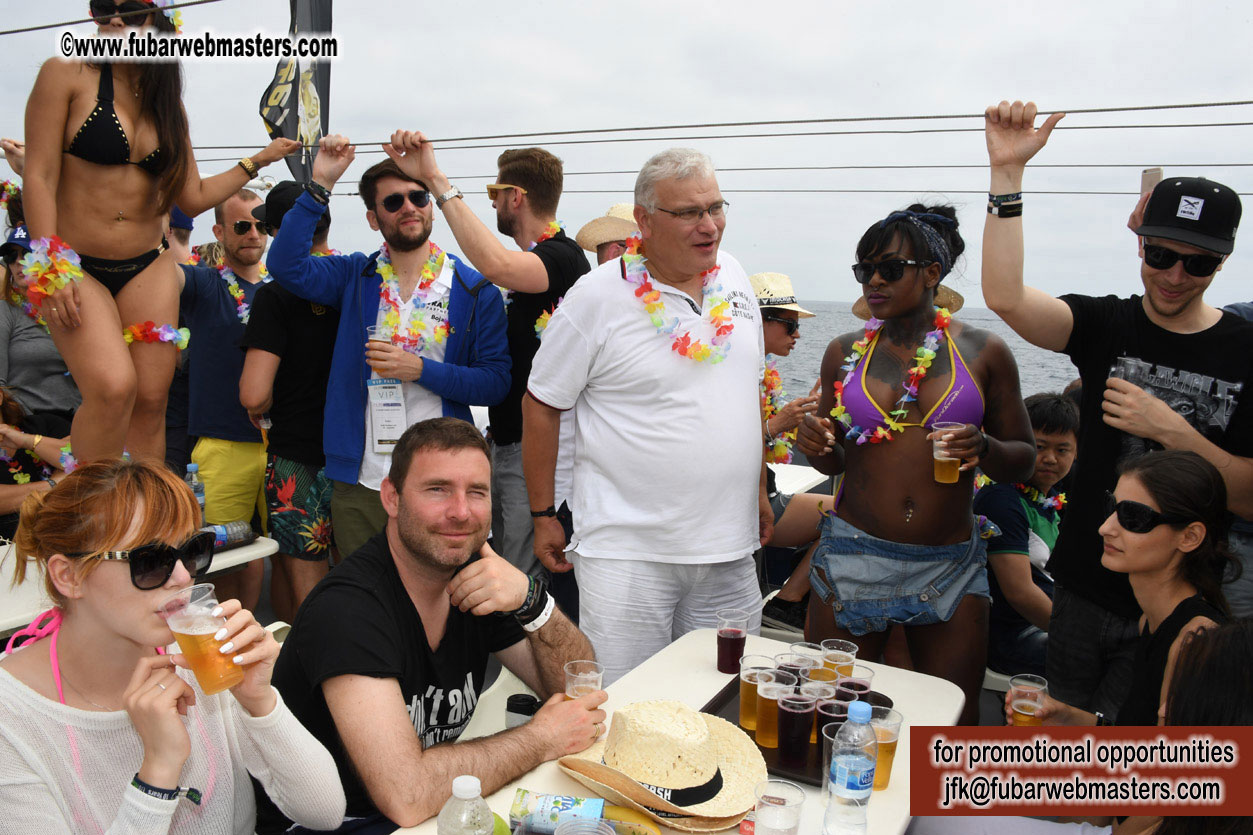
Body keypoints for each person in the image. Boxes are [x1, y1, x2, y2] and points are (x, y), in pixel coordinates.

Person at [980, 99, 1253, 716]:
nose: (1175, 275)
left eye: (1199, 262)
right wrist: (1007, 176)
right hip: (1082, 589)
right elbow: (1005, 295)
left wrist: (1174, 431)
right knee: (1069, 762)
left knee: (1151, 772)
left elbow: (1249, 495)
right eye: (1161, 254)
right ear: (1140, 245)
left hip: (1183, 608)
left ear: (1223, 263)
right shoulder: (1110, 322)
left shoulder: (1246, 351)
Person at [268, 418, 605, 832]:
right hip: (337, 823)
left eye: (476, 492)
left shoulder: (478, 575)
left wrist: (532, 600)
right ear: (391, 498)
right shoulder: (348, 609)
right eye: (437, 489)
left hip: (430, 809)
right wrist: (540, 738)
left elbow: (574, 690)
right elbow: (406, 796)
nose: (461, 512)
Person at [523, 148, 771, 685]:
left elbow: (747, 388)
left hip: (730, 547)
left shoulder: (734, 276)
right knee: (629, 705)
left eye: (716, 207)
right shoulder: (596, 296)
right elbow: (542, 402)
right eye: (689, 213)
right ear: (644, 221)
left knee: (724, 697)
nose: (710, 226)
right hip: (627, 554)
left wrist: (756, 491)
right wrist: (543, 513)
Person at [0, 459, 345, 833]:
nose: (183, 577)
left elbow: (323, 812)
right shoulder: (12, 717)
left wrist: (260, 702)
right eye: (150, 561)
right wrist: (158, 771)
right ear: (68, 576)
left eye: (192, 551)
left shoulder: (202, 657)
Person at [20, 4, 298, 464]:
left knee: (151, 400)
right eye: (103, 9)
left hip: (148, 265)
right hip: (74, 261)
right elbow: (41, 176)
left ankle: (146, 519)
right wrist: (51, 265)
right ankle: (87, 508)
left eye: (129, 11)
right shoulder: (65, 72)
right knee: (113, 388)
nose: (113, 20)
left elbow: (190, 197)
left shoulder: (167, 103)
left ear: (159, 23)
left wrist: (259, 161)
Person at [796, 203, 1036, 725]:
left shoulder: (984, 352)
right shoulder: (843, 352)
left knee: (948, 721)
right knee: (830, 715)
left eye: (890, 268)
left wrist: (985, 448)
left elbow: (1025, 459)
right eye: (864, 270)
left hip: (947, 564)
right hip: (852, 556)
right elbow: (837, 453)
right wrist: (817, 445)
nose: (874, 281)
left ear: (932, 273)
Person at [266, 135, 511, 559]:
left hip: (442, 480)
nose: (409, 207)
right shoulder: (353, 276)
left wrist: (420, 370)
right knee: (366, 602)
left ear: (431, 204)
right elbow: (284, 265)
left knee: (446, 603)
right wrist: (320, 182)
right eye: (393, 202)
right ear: (374, 219)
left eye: (418, 196)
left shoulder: (474, 289)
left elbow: (495, 383)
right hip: (364, 479)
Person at [387, 137, 591, 577]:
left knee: (516, 577)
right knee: (499, 566)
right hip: (506, 444)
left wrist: (436, 182)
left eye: (494, 196)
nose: (494, 205)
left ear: (513, 197)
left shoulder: (564, 257)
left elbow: (495, 265)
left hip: (538, 455)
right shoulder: (537, 263)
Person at [911, 618, 1253, 835]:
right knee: (922, 779)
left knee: (920, 804)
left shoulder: (1194, 633)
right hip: (1138, 779)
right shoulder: (1168, 628)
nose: (1106, 527)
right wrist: (1077, 725)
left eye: (1135, 518)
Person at [1008, 450, 1233, 727]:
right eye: (1112, 508)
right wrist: (1066, 715)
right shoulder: (1151, 620)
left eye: (1133, 517)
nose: (1105, 528)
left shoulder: (1194, 641)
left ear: (1189, 537)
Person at [240, 181, 340, 623]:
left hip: (297, 459)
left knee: (311, 596)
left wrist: (261, 405)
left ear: (280, 232)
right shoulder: (358, 281)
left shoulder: (275, 295)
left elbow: (253, 392)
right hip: (360, 455)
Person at [179, 189, 272, 609]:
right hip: (222, 445)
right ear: (218, 231)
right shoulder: (203, 283)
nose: (253, 234)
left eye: (260, 225)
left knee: (290, 554)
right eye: (241, 225)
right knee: (221, 560)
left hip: (285, 448)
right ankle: (228, 653)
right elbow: (156, 255)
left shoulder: (286, 288)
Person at [974, 393, 1079, 676]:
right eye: (1039, 446)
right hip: (1012, 635)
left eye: (1062, 450)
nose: (1050, 459)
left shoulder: (1051, 499)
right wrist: (1080, 639)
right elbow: (1020, 592)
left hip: (1044, 623)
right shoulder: (1001, 499)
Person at [750, 271, 824, 632]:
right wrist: (775, 426)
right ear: (757, 321)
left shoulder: (758, 368)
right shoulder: (739, 371)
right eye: (789, 325)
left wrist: (802, 414)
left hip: (765, 490)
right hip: (752, 502)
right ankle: (787, 601)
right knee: (849, 517)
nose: (797, 335)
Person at [2, 209, 81, 421]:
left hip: (77, 426)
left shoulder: (73, 306)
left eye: (26, 254)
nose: (18, 262)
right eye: (11, 256)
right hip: (25, 425)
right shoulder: (5, 310)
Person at [0, 387, 68, 539]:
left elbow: (83, 458)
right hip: (9, 546)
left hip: (72, 530)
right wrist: (54, 484)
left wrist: (28, 441)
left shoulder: (43, 423)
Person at [163, 205, 195, 474]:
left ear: (166, 230)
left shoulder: (189, 283)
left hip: (174, 420)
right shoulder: (211, 276)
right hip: (189, 418)